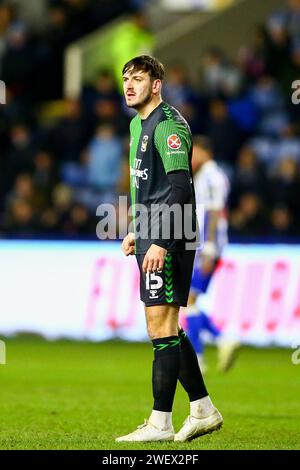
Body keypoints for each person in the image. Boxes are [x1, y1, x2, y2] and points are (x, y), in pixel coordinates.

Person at [116, 55, 223, 443]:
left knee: (160, 327)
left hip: (171, 236)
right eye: (126, 78)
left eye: (139, 78)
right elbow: (148, 185)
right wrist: (136, 230)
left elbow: (179, 186)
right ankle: (203, 409)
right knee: (168, 328)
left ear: (156, 84)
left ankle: (160, 423)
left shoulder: (168, 125)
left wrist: (159, 239)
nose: (130, 85)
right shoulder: (135, 125)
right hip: (153, 233)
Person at [185, 136, 240, 373]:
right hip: (201, 246)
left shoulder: (211, 177)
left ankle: (203, 352)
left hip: (207, 248)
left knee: (187, 301)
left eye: (194, 152)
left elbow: (215, 213)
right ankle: (216, 344)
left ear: (205, 151)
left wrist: (207, 248)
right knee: (188, 302)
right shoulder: (205, 176)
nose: (191, 158)